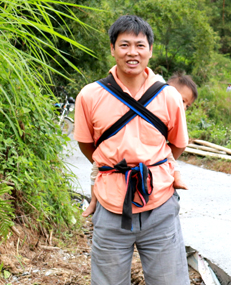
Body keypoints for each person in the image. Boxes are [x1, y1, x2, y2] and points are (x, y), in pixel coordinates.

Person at [73, 15, 192, 285]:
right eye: (124, 44)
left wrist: (150, 169)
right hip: (111, 202)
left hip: (159, 202)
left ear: (150, 50)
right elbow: (87, 144)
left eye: (140, 45)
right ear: (112, 49)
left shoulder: (169, 96)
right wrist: (114, 168)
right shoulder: (91, 95)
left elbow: (175, 146)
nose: (132, 52)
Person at [81, 71, 197, 217]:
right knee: (95, 172)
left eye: (187, 104)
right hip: (113, 156)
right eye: (183, 100)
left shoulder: (171, 106)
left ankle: (176, 178)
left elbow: (179, 142)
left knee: (170, 159)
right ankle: (94, 201)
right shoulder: (156, 98)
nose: (184, 106)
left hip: (156, 154)